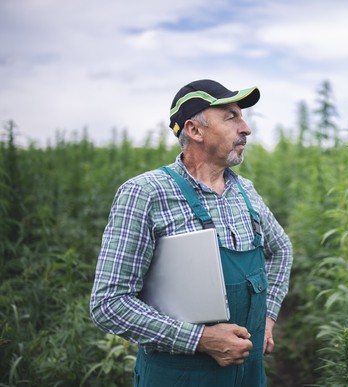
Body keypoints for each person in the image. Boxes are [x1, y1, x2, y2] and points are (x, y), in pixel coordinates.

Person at [90, 79, 293, 386]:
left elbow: (281, 250)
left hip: (248, 374)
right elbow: (109, 304)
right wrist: (201, 339)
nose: (246, 128)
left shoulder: (245, 191)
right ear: (195, 130)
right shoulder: (145, 193)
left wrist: (267, 316)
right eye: (231, 117)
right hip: (179, 376)